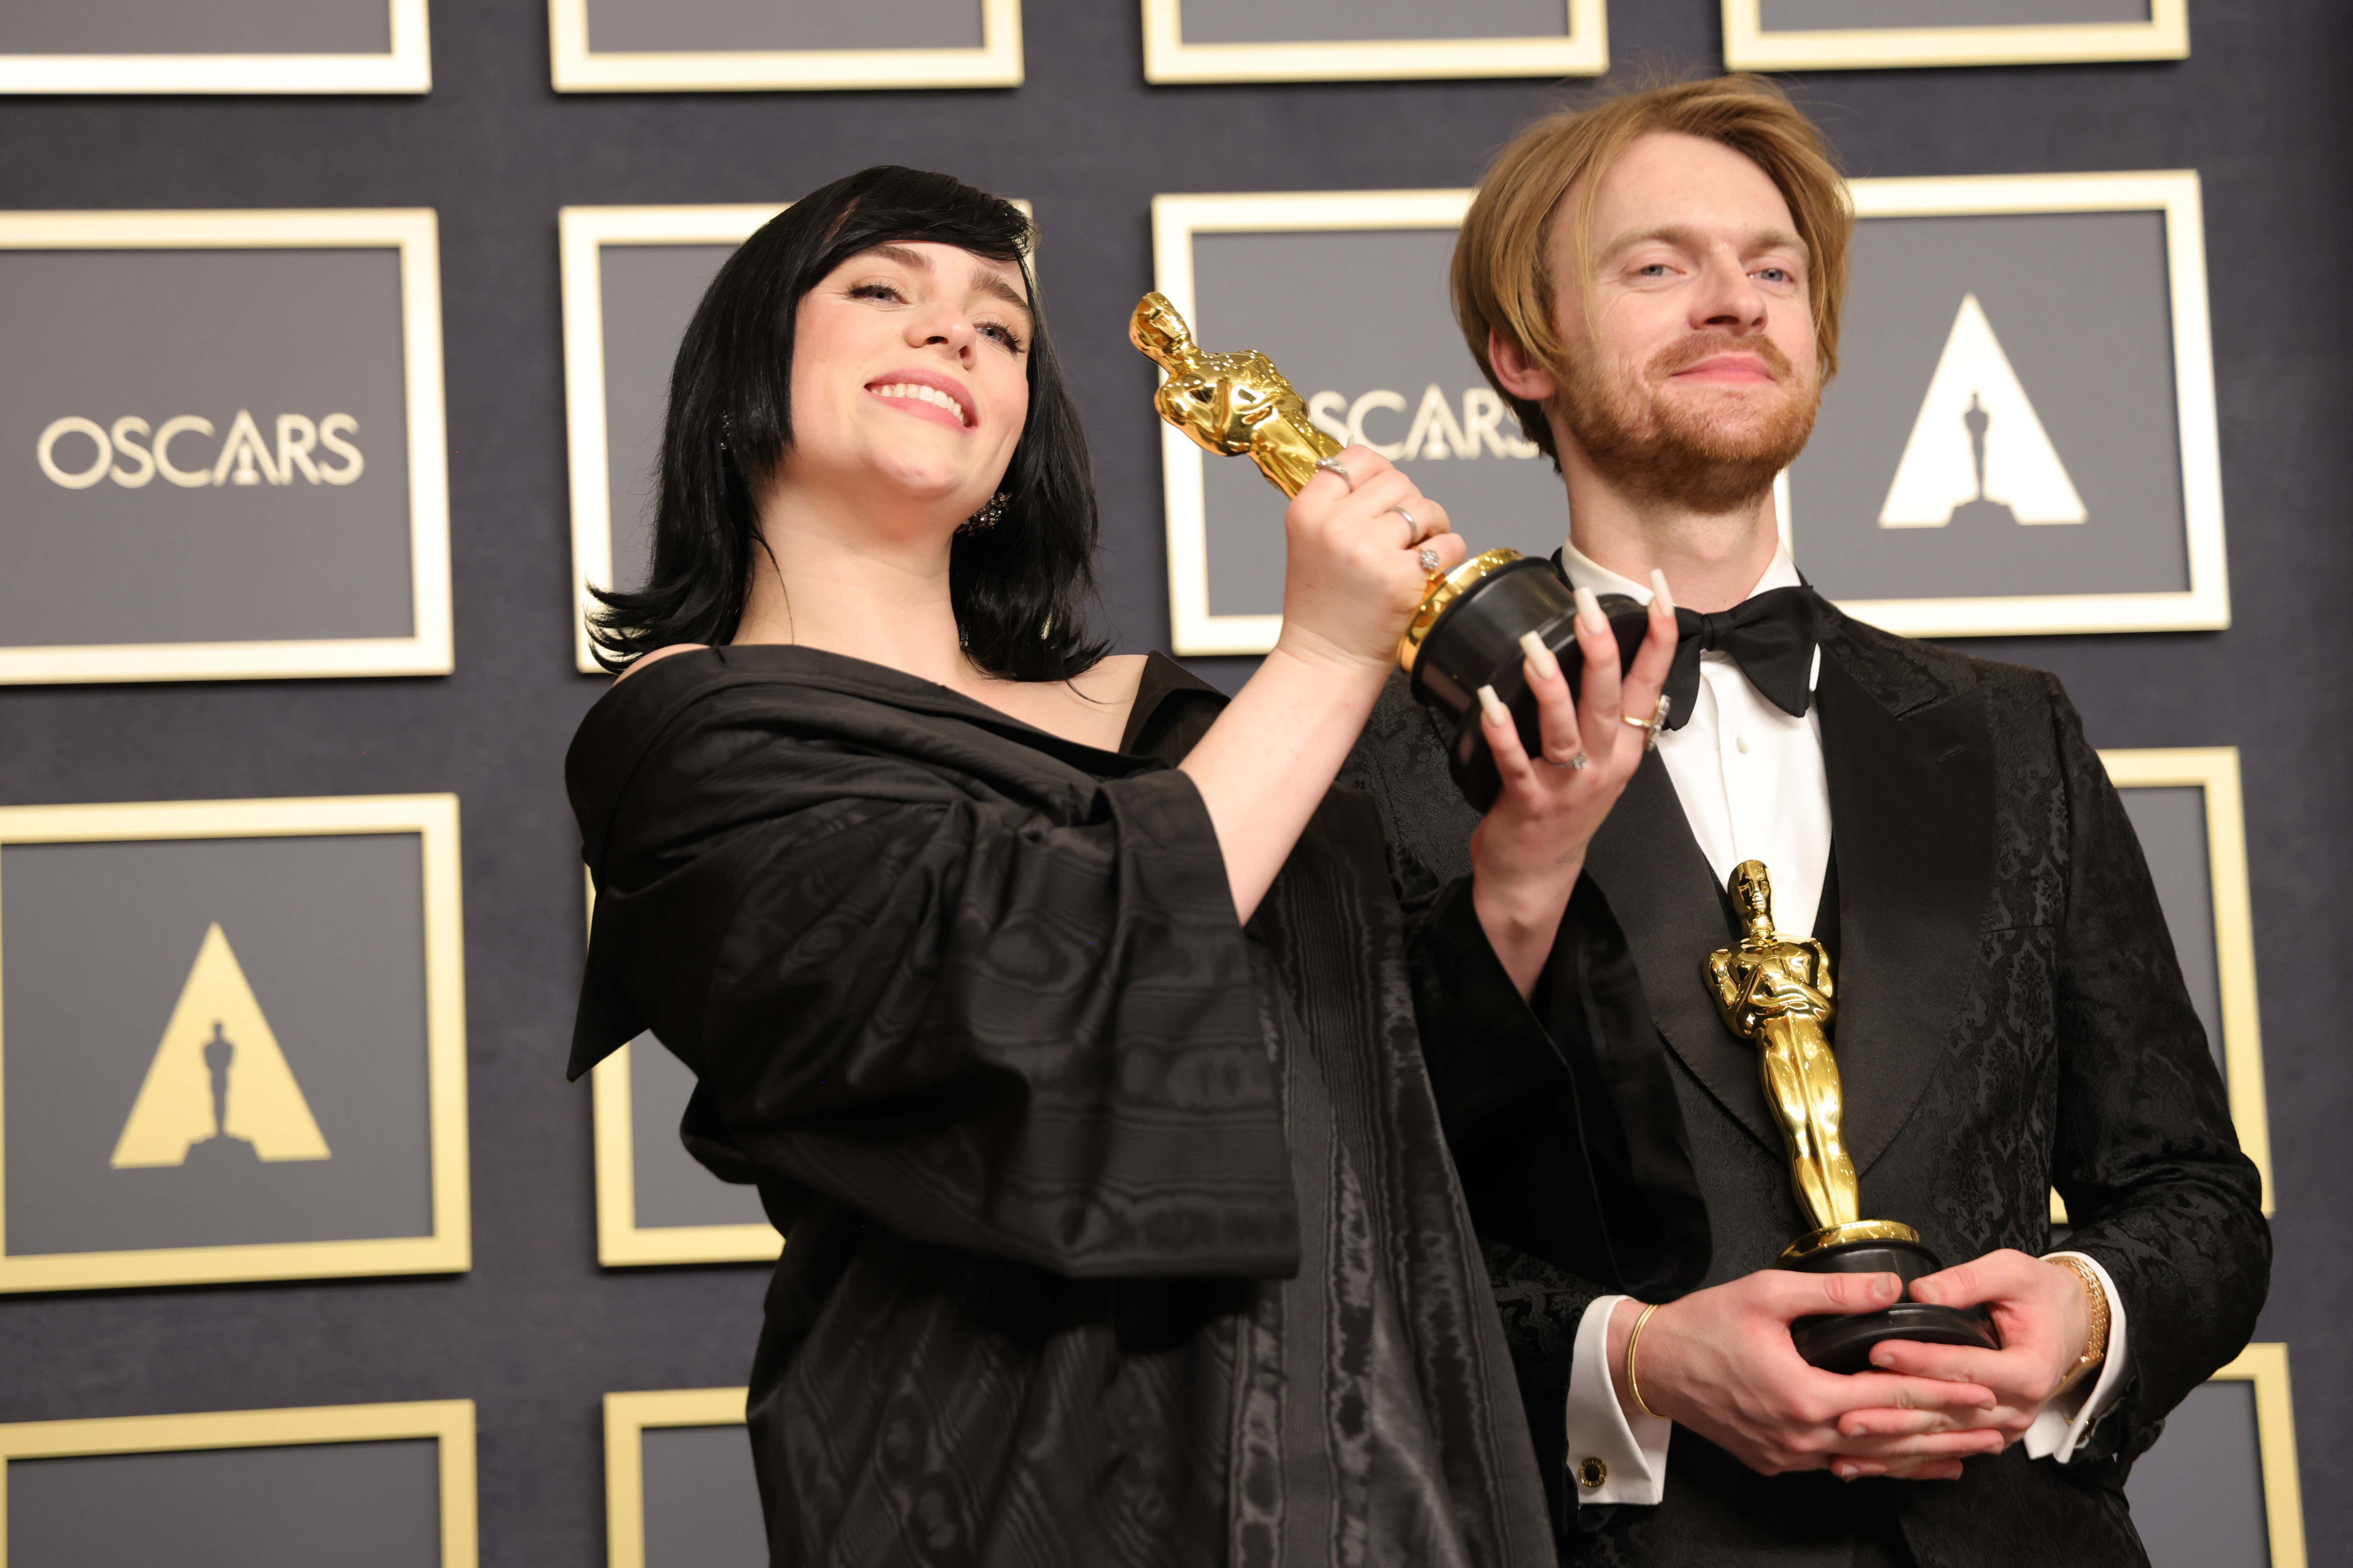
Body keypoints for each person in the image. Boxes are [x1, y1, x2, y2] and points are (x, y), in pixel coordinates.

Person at [562, 165, 1680, 1566]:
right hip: (1012, 1485)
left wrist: (1527, 863)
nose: (954, 331)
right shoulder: (698, 737)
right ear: (741, 381)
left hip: (1381, 1480)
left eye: (1001, 328)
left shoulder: (1177, 726)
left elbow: (1397, 1109)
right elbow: (1025, 1013)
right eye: (881, 290)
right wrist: (1327, 657)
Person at [1339, 78, 2268, 1564]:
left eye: (1772, 268)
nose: (1735, 301)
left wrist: (2083, 1312)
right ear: (1521, 352)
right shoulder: (1373, 758)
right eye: (1657, 265)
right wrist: (1634, 1363)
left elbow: (2190, 1194)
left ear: (1819, 341)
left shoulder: (2011, 734)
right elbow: (1344, 1226)